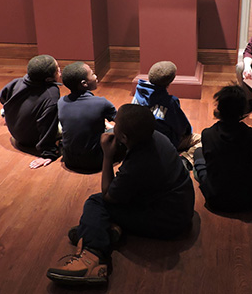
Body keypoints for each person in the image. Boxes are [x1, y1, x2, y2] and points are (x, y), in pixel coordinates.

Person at [46, 104, 195, 285]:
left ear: (123, 136)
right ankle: (101, 231)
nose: (112, 127)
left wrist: (107, 156)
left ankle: (91, 260)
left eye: (115, 125)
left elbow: (109, 195)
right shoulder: (157, 137)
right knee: (101, 214)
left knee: (96, 203)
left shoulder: (138, 164)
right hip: (180, 207)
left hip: (168, 222)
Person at [193, 85, 252, 212]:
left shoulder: (207, 134)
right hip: (246, 199)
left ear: (219, 108)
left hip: (215, 198)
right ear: (243, 111)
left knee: (197, 153)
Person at [133, 61, 201, 170]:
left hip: (143, 141)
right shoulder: (170, 102)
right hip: (164, 142)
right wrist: (188, 132)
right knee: (202, 139)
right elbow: (182, 127)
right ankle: (186, 159)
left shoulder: (138, 93)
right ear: (170, 81)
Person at [0, 54, 61, 169]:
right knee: (67, 118)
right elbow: (48, 124)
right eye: (57, 69)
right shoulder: (52, 94)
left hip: (15, 132)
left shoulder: (16, 82)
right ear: (48, 79)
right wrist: (49, 153)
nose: (59, 70)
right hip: (31, 139)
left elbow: (2, 98)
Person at [58, 62, 117, 172]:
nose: (96, 76)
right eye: (92, 74)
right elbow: (123, 123)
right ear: (84, 83)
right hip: (95, 162)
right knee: (120, 132)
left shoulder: (61, 102)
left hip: (69, 161)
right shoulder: (102, 103)